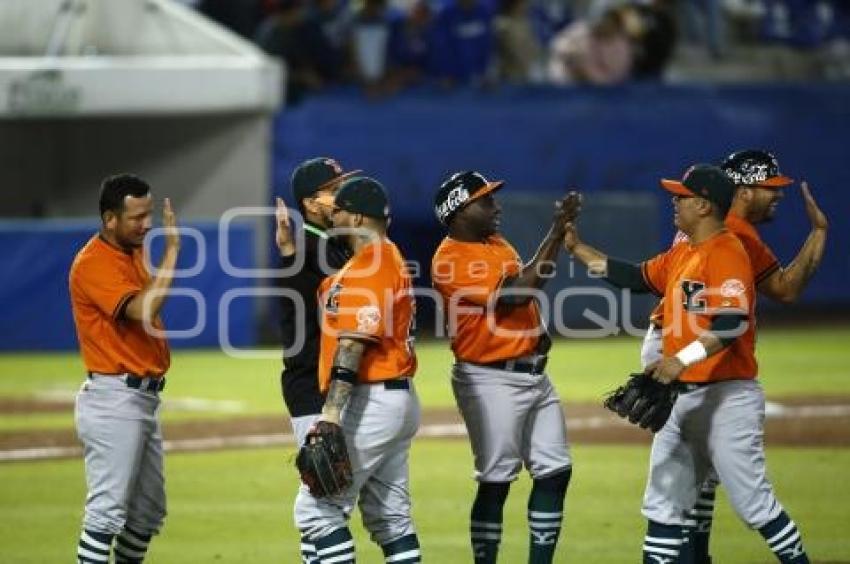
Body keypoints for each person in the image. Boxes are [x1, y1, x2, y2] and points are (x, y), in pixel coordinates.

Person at [564, 164, 812, 563]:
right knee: (662, 507)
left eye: (681, 197)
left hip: (727, 399)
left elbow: (732, 323)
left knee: (754, 506)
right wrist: (576, 248)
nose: (674, 202)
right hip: (680, 397)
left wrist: (682, 358)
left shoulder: (729, 252)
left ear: (703, 205)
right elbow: (633, 276)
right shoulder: (685, 251)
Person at [635, 150, 828, 564]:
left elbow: (780, 291)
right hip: (685, 348)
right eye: (767, 188)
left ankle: (695, 556)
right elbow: (784, 291)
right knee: (695, 473)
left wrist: (818, 234)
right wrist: (817, 236)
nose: (776, 196)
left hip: (681, 343)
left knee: (699, 475)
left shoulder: (723, 229)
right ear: (741, 191)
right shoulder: (733, 235)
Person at [431, 171, 579, 564]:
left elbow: (533, 279)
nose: (496, 207)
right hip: (489, 378)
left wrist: (556, 235)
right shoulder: (449, 259)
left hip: (532, 373)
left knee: (556, 471)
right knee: (496, 481)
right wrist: (555, 232)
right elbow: (515, 295)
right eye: (485, 200)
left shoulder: (495, 243)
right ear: (458, 211)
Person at [294, 176, 422, 564]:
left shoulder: (374, 262)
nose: (333, 215)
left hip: (371, 400)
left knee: (316, 511)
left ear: (359, 216)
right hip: (390, 397)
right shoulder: (371, 260)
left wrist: (331, 415)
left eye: (340, 210)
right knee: (390, 520)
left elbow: (352, 344)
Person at [69, 174, 180, 564]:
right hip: (114, 398)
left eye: (148, 214)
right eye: (136, 217)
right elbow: (142, 311)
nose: (146, 224)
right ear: (109, 219)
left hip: (141, 399)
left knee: (148, 512)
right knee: (106, 513)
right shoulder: (92, 264)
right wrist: (172, 255)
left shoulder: (130, 253)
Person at [275, 157, 359, 564]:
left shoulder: (321, 246)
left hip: (319, 384)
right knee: (323, 501)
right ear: (311, 202)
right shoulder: (315, 249)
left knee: (326, 504)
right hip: (313, 386)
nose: (344, 194)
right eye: (335, 188)